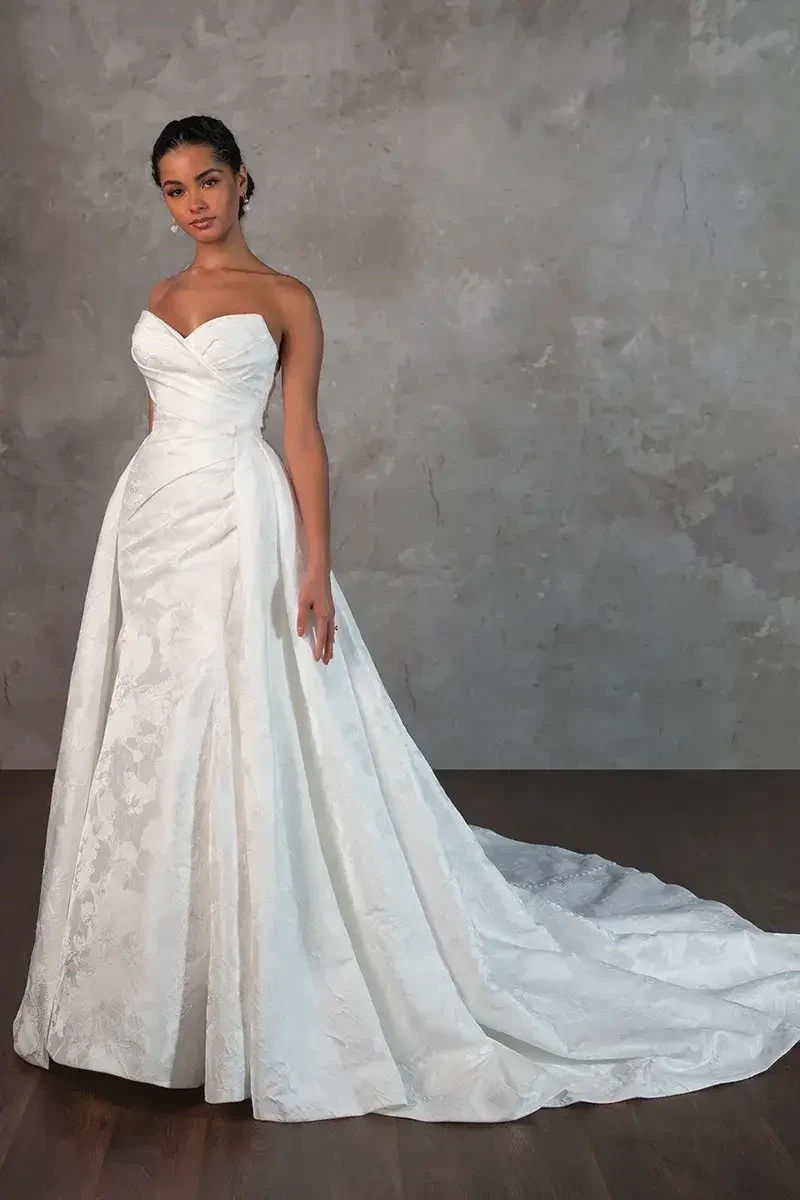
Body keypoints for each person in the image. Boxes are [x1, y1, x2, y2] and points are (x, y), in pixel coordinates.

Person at [12, 115, 800, 1124]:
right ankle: (134, 995)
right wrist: (136, 527)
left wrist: (315, 562)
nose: (192, 202)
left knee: (232, 714)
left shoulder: (286, 297)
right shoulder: (159, 297)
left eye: (207, 179)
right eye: (172, 188)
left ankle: (244, 986)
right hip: (152, 517)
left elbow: (302, 435)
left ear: (243, 179)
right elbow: (160, 422)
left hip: (240, 518)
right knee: (148, 729)